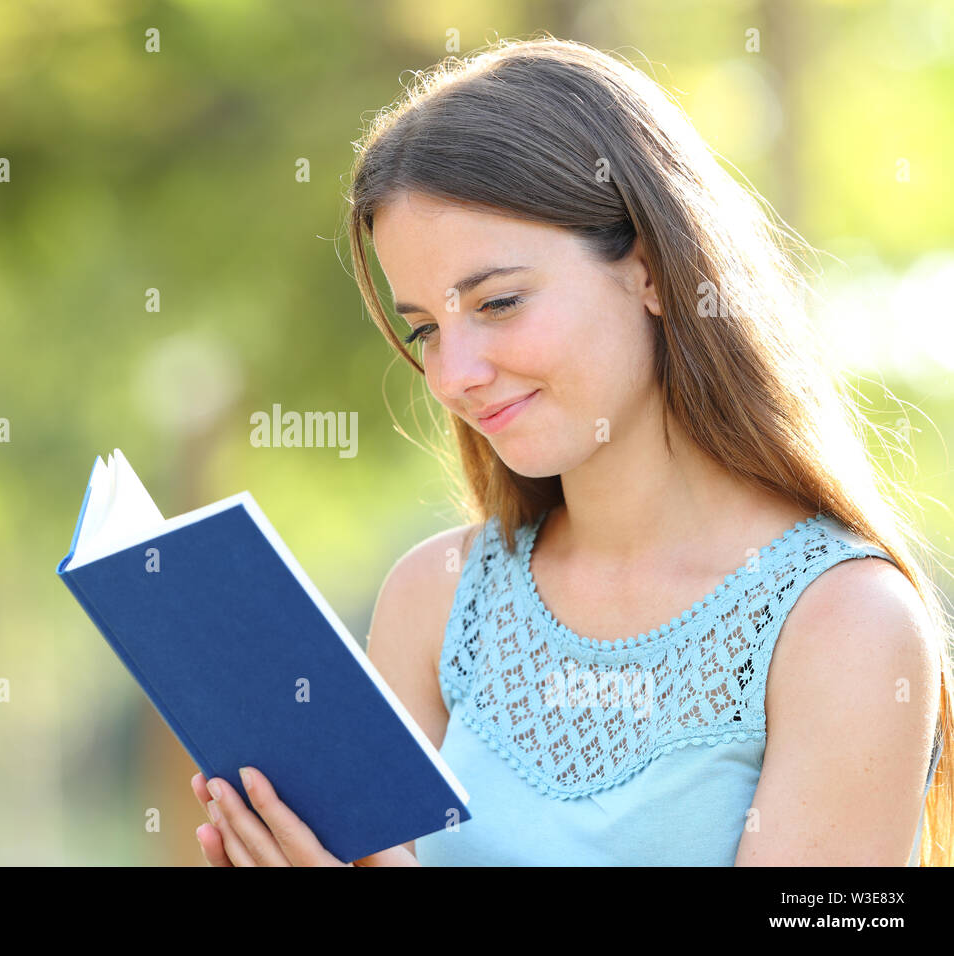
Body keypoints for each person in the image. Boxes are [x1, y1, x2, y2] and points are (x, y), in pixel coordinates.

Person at [190, 35, 951, 866]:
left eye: (499, 302)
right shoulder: (433, 603)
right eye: (424, 329)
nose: (456, 375)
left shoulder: (848, 625)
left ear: (653, 269)